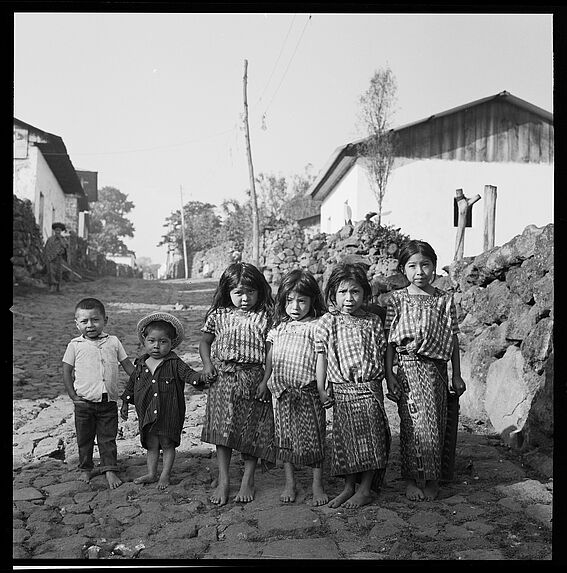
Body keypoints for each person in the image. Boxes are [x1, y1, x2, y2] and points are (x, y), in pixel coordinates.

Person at [384, 240, 466, 502]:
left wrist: (456, 374)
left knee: (436, 425)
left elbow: (453, 339)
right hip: (408, 369)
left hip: (437, 370)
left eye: (425, 265)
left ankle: (432, 480)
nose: (420, 271)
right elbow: (389, 342)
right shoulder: (396, 300)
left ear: (433, 266)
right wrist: (389, 374)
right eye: (412, 266)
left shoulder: (444, 301)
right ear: (403, 269)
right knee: (412, 426)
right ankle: (412, 479)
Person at [315, 263, 391, 508]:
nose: (349, 298)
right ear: (332, 295)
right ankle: (349, 487)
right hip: (342, 390)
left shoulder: (372, 321)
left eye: (355, 292)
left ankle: (366, 489)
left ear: (365, 293)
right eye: (342, 292)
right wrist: (321, 387)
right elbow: (322, 356)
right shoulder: (328, 322)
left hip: (369, 388)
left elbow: (381, 353)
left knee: (372, 439)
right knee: (347, 441)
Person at [199, 262, 275, 506]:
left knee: (251, 429)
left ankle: (247, 479)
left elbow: (270, 351)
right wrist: (208, 365)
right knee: (223, 431)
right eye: (238, 292)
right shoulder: (218, 315)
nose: (245, 298)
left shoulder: (265, 316)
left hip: (253, 377)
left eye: (250, 292)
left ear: (259, 291)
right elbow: (204, 343)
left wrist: (266, 380)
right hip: (223, 378)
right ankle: (223, 480)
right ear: (227, 291)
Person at [258, 269, 328, 506]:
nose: (295, 306)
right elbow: (270, 358)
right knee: (284, 439)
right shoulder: (279, 328)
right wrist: (266, 381)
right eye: (289, 300)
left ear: (312, 301)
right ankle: (290, 482)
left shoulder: (317, 326)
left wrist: (321, 388)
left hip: (307, 391)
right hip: (282, 392)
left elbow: (321, 358)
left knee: (315, 437)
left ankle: (317, 484)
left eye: (302, 300)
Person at [120, 312, 204, 489]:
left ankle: (165, 474)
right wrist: (126, 402)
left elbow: (189, 374)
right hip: (147, 412)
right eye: (151, 341)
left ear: (172, 343)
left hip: (169, 412)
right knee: (151, 444)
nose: (156, 346)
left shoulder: (174, 363)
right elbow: (132, 383)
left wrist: (201, 379)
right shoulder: (141, 364)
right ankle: (151, 473)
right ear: (144, 340)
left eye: (163, 341)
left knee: (167, 443)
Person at [62, 298, 135, 489]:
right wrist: (73, 396)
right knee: (84, 439)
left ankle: (109, 469)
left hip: (108, 401)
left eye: (95, 320)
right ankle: (86, 468)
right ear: (76, 323)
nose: (90, 325)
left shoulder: (113, 342)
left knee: (107, 438)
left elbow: (126, 364)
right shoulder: (75, 345)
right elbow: (66, 371)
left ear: (105, 320)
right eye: (84, 321)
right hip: (83, 403)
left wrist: (139, 380)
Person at [44, 222, 68, 293]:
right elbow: (47, 248)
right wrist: (48, 255)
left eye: (59, 230)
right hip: (50, 259)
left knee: (58, 272)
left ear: (61, 231)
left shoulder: (63, 239)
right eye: (56, 230)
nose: (57, 232)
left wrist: (60, 241)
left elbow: (65, 247)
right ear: (54, 231)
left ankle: (58, 286)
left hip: (58, 258)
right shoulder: (50, 239)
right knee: (51, 272)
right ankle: (52, 286)